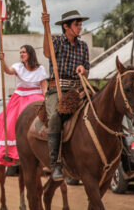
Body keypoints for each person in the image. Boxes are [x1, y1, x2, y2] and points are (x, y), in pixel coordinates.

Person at [42, 10, 90, 181]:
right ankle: (55, 164)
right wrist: (45, 27)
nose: (80, 27)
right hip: (57, 90)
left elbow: (87, 70)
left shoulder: (83, 46)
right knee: (55, 117)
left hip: (77, 90)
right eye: (77, 25)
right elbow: (47, 54)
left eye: (80, 24)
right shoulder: (55, 40)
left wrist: (83, 71)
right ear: (66, 26)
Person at [0, 45, 48, 166]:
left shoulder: (40, 69)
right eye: (20, 52)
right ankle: (12, 152)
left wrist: (48, 100)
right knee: (10, 122)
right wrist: (2, 60)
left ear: (30, 54)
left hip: (36, 96)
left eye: (24, 52)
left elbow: (44, 87)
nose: (21, 54)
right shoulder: (18, 67)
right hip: (19, 97)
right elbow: (8, 71)